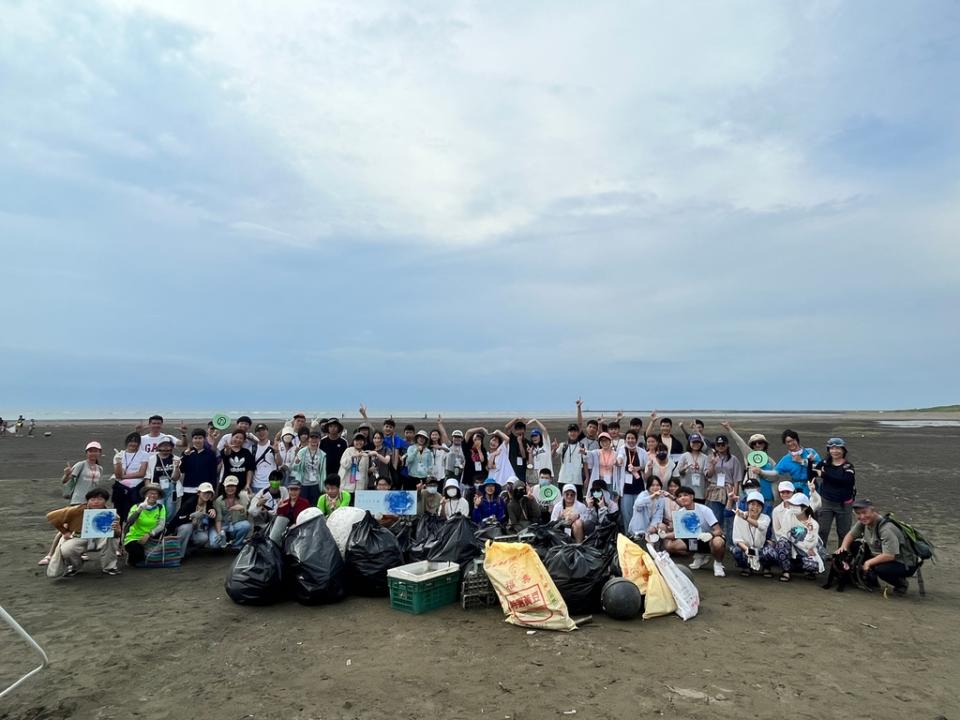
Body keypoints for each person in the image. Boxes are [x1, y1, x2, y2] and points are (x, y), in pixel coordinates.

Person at [835, 499, 918, 594]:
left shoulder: (886, 529)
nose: (862, 516)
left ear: (873, 511)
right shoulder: (863, 522)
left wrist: (868, 563)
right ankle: (872, 580)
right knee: (854, 545)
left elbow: (890, 555)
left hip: (903, 562)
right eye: (858, 513)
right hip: (881, 554)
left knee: (880, 569)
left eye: (864, 512)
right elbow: (851, 535)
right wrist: (843, 547)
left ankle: (901, 584)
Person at [46, 488, 122, 576]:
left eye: (100, 499)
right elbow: (51, 517)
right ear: (88, 501)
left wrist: (117, 530)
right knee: (66, 550)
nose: (96, 502)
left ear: (105, 501)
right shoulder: (77, 510)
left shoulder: (111, 514)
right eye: (92, 499)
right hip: (80, 537)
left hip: (100, 539)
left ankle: (109, 567)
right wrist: (65, 532)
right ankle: (75, 566)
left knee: (111, 537)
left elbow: (118, 535)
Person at [662, 486, 726, 576]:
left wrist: (710, 534)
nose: (682, 498)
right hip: (695, 540)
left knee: (718, 542)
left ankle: (718, 564)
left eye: (685, 495)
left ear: (692, 497)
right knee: (671, 546)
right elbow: (678, 533)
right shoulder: (680, 512)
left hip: (710, 540)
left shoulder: (705, 510)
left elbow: (719, 531)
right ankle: (700, 555)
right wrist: (664, 535)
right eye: (679, 496)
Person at [721, 421, 777, 511]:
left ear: (765, 444)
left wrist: (762, 473)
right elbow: (740, 442)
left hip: (767, 498)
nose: (757, 445)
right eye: (754, 443)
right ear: (751, 445)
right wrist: (729, 429)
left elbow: (776, 476)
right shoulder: (749, 455)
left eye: (760, 442)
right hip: (751, 497)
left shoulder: (770, 460)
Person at [812, 437, 856, 547]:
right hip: (826, 502)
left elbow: (845, 481)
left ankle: (841, 557)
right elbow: (813, 473)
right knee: (822, 530)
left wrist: (824, 475)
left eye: (838, 448)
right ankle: (821, 555)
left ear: (843, 450)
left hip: (844, 504)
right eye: (831, 448)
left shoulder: (848, 466)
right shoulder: (824, 463)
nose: (834, 451)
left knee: (843, 532)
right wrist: (808, 462)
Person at [704, 434, 742, 541]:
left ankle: (730, 541)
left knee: (729, 517)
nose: (720, 446)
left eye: (722, 444)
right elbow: (708, 475)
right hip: (715, 490)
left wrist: (735, 495)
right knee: (716, 516)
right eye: (718, 444)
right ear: (715, 446)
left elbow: (736, 479)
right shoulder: (711, 458)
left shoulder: (733, 459)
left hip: (729, 490)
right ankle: (717, 540)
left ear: (727, 445)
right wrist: (712, 464)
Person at [122, 484, 167, 566]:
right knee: (137, 553)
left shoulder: (161, 507)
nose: (152, 495)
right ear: (145, 495)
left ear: (158, 496)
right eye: (150, 493)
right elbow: (129, 521)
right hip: (134, 537)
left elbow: (161, 525)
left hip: (152, 536)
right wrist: (140, 509)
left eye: (155, 493)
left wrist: (149, 534)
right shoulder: (136, 506)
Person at [113, 432, 150, 524]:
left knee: (134, 512)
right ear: (127, 442)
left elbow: (141, 473)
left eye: (136, 441)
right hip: (120, 488)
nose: (133, 444)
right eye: (131, 441)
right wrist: (118, 462)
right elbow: (117, 475)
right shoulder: (119, 454)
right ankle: (118, 534)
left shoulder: (144, 454)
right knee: (118, 512)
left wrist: (123, 476)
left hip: (136, 488)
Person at [731, 491, 770, 576]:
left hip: (760, 549)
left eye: (758, 505)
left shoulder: (766, 518)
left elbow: (761, 526)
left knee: (770, 552)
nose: (755, 508)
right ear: (747, 505)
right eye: (752, 504)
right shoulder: (739, 516)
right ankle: (746, 567)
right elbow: (737, 539)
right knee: (735, 550)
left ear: (762, 508)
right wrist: (748, 550)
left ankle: (766, 567)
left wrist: (745, 517)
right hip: (746, 548)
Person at [617, 431, 647, 533]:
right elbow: (619, 457)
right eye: (628, 438)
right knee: (626, 513)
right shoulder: (622, 450)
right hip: (626, 488)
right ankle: (628, 535)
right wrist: (619, 461)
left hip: (639, 487)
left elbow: (646, 467)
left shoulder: (642, 452)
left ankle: (638, 535)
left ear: (636, 439)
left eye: (632, 438)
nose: (630, 440)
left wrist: (638, 468)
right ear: (625, 440)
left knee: (639, 512)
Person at [148, 436, 182, 523]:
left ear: (171, 447)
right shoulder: (152, 459)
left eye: (168, 445)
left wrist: (176, 467)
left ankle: (166, 529)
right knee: (158, 509)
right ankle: (158, 529)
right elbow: (148, 476)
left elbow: (176, 478)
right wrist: (148, 491)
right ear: (159, 447)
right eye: (163, 445)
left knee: (170, 511)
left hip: (172, 489)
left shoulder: (176, 459)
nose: (166, 447)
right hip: (157, 489)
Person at [62, 441, 105, 505]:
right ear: (86, 453)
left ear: (100, 453)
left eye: (96, 451)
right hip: (78, 501)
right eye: (90, 451)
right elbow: (65, 481)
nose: (93, 453)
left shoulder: (100, 469)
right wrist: (66, 474)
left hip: (92, 502)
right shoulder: (81, 465)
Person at [214, 476, 251, 550]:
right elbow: (218, 519)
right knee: (215, 544)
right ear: (224, 486)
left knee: (246, 525)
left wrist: (242, 510)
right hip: (223, 526)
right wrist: (220, 533)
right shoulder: (219, 500)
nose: (230, 488)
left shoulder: (243, 497)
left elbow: (245, 518)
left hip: (235, 525)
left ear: (237, 486)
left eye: (233, 486)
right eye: (228, 486)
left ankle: (236, 544)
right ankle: (224, 541)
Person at [291, 430, 327, 504]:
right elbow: (294, 468)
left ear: (319, 440)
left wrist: (323, 486)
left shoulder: (323, 454)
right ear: (308, 439)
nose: (314, 440)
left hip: (316, 484)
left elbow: (323, 472)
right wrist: (297, 463)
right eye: (312, 438)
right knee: (303, 505)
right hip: (303, 484)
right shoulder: (302, 452)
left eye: (316, 438)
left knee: (314, 505)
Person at [583, 432, 623, 497]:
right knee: (598, 499)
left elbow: (619, 462)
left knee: (609, 500)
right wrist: (584, 452)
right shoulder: (596, 452)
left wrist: (617, 463)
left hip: (611, 481)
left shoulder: (615, 454)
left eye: (606, 440)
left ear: (610, 441)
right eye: (602, 441)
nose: (604, 443)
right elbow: (589, 454)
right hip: (599, 481)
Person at [555, 424, 586, 498]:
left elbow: (585, 462)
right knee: (562, 501)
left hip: (577, 480)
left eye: (575, 431)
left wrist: (587, 478)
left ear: (578, 433)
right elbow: (554, 456)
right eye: (571, 431)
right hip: (563, 479)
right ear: (568, 433)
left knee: (578, 501)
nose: (573, 433)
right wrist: (553, 449)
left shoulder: (582, 446)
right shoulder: (563, 445)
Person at [678, 433, 709, 501]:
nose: (696, 444)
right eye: (693, 442)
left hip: (700, 491)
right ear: (689, 443)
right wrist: (685, 468)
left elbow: (707, 475)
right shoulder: (684, 456)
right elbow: (679, 472)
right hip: (686, 489)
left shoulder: (705, 457)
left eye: (698, 442)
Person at [461, 428, 489, 494]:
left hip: (480, 477)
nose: (477, 441)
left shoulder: (483, 449)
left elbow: (483, 460)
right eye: (475, 439)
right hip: (469, 476)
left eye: (479, 439)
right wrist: (481, 429)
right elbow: (468, 432)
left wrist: (479, 449)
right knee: (469, 495)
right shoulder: (467, 447)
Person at [504, 418, 531, 483]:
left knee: (521, 487)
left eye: (521, 429)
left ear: (524, 430)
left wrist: (520, 443)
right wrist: (517, 419)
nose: (519, 431)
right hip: (511, 469)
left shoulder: (528, 442)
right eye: (517, 429)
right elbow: (506, 427)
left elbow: (524, 456)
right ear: (515, 431)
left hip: (522, 470)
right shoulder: (512, 438)